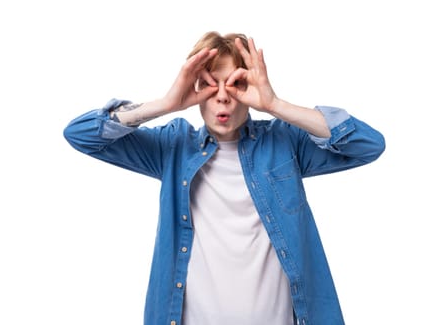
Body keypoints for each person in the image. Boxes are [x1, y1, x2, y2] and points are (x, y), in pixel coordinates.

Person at [64, 31, 385, 325]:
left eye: (236, 84)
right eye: (210, 84)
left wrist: (275, 104)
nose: (222, 97)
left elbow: (368, 145)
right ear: (194, 89)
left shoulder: (285, 143)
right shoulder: (173, 146)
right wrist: (165, 104)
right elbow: (80, 135)